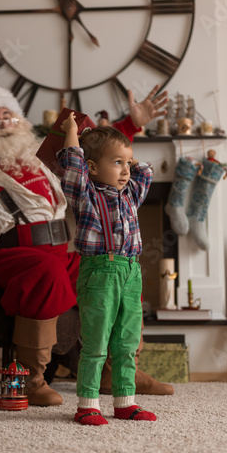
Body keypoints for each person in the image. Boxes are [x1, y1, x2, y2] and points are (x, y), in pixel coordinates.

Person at [0, 80, 171, 407]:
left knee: (118, 271)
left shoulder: (40, 162)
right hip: (8, 256)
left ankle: (117, 369)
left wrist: (131, 124)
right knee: (46, 270)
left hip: (60, 253)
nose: (3, 124)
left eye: (8, 115)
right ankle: (30, 378)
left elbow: (94, 161)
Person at [58, 112, 156, 425]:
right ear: (93, 167)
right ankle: (87, 404)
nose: (126, 170)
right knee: (97, 342)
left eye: (126, 163)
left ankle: (125, 402)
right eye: (117, 163)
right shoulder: (84, 195)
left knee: (127, 342)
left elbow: (145, 172)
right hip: (100, 272)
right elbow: (72, 164)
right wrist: (74, 132)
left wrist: (123, 151)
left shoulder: (131, 195)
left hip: (131, 273)